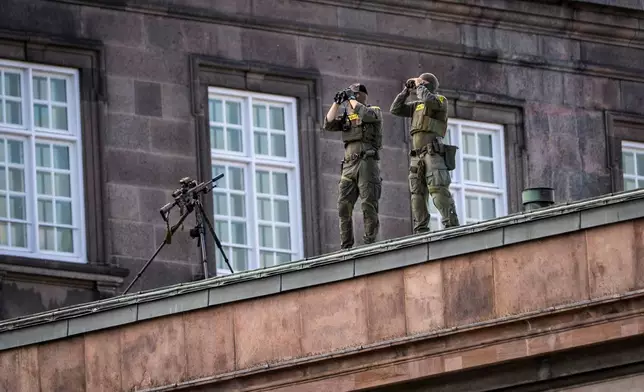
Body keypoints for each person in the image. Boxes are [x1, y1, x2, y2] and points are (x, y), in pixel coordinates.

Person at [389, 73, 460, 233]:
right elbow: (395, 109)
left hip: (433, 153)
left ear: (429, 85)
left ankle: (451, 224)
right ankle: (421, 228)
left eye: (422, 83)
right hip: (417, 156)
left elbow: (429, 100)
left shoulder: (440, 101)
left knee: (437, 188)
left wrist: (419, 85)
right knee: (417, 193)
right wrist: (405, 92)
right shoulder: (416, 106)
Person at [323, 83, 383, 249]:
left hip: (366, 163)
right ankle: (346, 246)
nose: (352, 99)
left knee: (368, 204)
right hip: (349, 165)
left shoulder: (374, 111)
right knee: (343, 205)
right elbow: (328, 124)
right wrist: (337, 102)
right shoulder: (346, 117)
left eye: (355, 95)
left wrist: (351, 99)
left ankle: (369, 242)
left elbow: (364, 113)